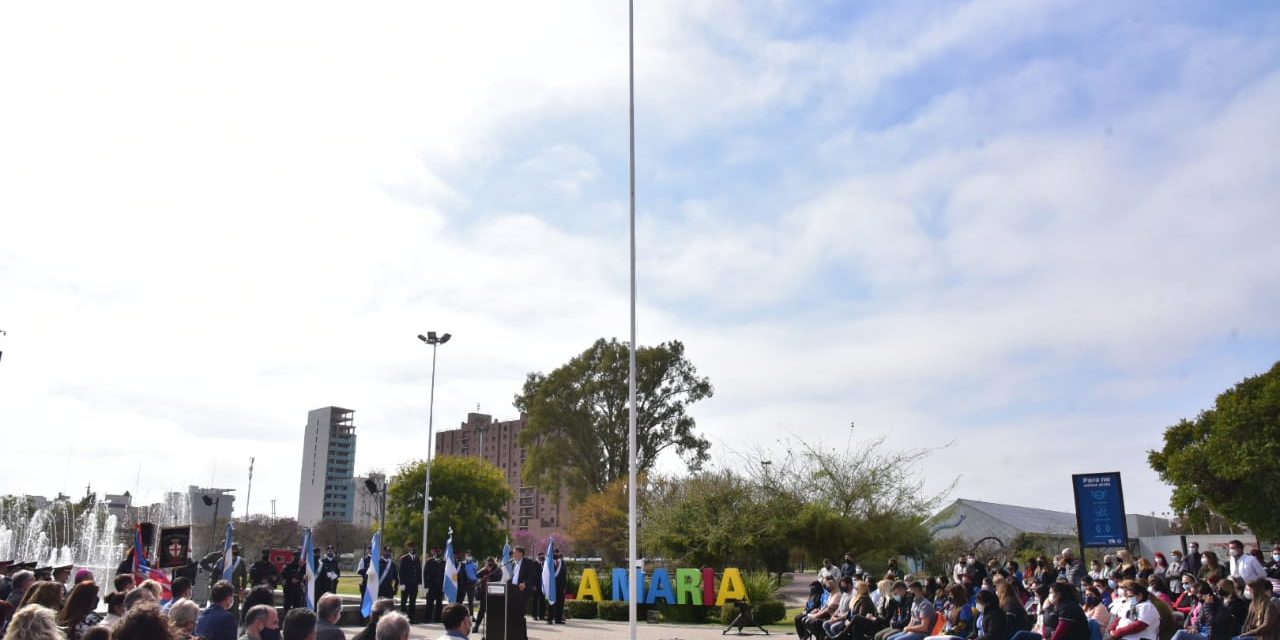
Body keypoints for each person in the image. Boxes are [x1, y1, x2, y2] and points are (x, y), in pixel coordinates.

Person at [507, 547, 539, 640]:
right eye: (513, 553)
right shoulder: (514, 563)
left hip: (522, 592)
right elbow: (514, 578)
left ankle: (523, 637)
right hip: (513, 592)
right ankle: (514, 635)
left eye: (515, 553)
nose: (513, 555)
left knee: (520, 615)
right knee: (513, 615)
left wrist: (525, 583)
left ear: (521, 553)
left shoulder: (528, 562)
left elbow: (533, 576)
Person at [397, 543, 421, 623]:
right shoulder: (404, 558)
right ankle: (402, 619)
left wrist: (419, 583)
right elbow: (401, 572)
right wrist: (402, 584)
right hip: (406, 584)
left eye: (414, 547)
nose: (413, 549)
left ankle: (411, 618)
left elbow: (419, 571)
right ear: (409, 549)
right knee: (403, 601)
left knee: (412, 601)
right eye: (411, 548)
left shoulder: (417, 559)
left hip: (414, 584)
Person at [424, 549, 445, 624]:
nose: (437, 553)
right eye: (436, 552)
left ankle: (438, 618)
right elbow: (425, 574)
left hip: (440, 586)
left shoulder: (443, 562)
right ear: (433, 553)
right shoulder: (429, 562)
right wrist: (426, 586)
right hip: (431, 586)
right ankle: (427, 618)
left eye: (438, 552)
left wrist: (444, 586)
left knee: (439, 603)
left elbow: (445, 575)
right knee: (430, 603)